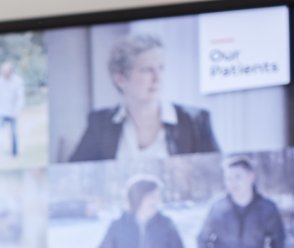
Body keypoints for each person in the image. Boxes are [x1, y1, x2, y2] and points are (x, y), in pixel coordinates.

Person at [70, 33, 219, 162]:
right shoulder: (100, 123)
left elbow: (218, 176)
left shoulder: (196, 120)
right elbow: (73, 176)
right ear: (120, 78)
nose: (158, 78)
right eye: (147, 70)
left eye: (161, 68)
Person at [197, 156, 287, 248]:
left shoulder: (267, 208)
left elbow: (278, 241)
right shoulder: (217, 207)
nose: (233, 183)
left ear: (251, 176)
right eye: (228, 178)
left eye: (238, 177)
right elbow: (202, 238)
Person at [0, 61, 25, 157]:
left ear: (10, 71)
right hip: (1, 111)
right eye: (3, 71)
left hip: (13, 111)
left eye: (5, 71)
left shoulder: (18, 81)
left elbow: (20, 97)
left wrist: (18, 109)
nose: (4, 73)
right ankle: (0, 152)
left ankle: (14, 153)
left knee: (14, 133)